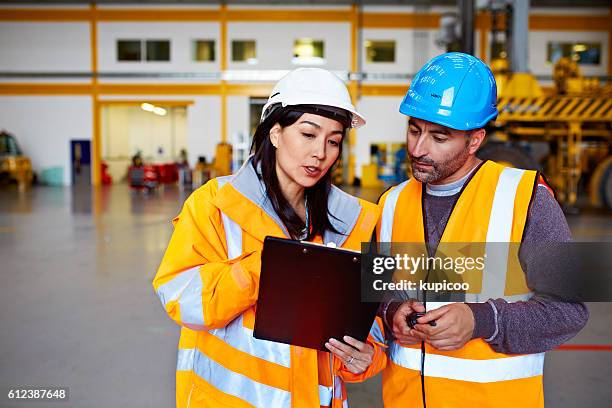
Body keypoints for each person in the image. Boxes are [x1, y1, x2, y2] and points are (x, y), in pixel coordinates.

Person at [153, 68, 386, 408]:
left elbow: (371, 326)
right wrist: (264, 267)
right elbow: (180, 298)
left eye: (333, 141)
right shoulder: (216, 204)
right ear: (275, 133)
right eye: (308, 134)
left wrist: (366, 358)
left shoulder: (355, 223)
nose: (320, 152)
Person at [377, 53, 588, 407]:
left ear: (475, 140)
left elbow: (569, 311)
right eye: (414, 130)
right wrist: (389, 311)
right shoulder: (391, 203)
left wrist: (481, 320)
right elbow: (376, 289)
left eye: (439, 138)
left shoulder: (527, 199)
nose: (417, 149)